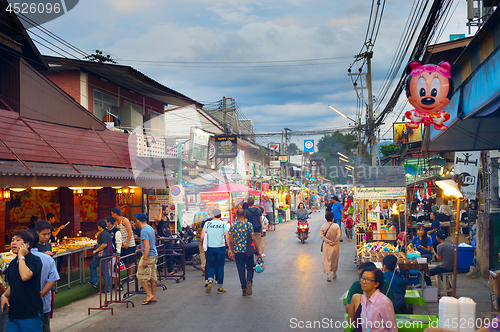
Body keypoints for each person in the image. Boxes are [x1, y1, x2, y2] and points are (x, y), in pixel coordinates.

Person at [1, 230, 43, 331]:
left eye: (17, 240)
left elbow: (25, 276)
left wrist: (21, 256)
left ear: (27, 244)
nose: (13, 243)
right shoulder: (12, 263)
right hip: (13, 315)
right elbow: (14, 284)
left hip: (30, 314)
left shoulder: (34, 260)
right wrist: (4, 296)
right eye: (12, 240)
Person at [348, 268, 397, 332]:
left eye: (368, 280)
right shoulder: (364, 299)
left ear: (376, 284)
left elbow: (392, 329)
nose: (364, 282)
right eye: (362, 278)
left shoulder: (384, 302)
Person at [228, 209, 262, 296]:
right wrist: (258, 250)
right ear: (244, 214)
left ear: (236, 215)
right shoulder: (248, 225)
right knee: (250, 267)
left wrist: (232, 252)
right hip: (248, 250)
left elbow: (231, 240)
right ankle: (249, 281)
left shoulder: (233, 226)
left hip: (238, 251)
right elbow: (253, 238)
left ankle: (244, 289)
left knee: (241, 269)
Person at [31, 240, 60, 332]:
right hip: (41, 298)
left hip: (40, 298)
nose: (47, 236)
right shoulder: (17, 260)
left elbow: (53, 278)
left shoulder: (47, 246)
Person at [201, 209, 229, 294]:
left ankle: (210, 281)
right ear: (220, 215)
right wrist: (230, 249)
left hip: (210, 248)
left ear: (213, 215)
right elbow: (227, 237)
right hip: (220, 247)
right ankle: (219, 287)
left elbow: (202, 236)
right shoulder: (223, 224)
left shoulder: (207, 223)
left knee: (211, 265)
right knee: (220, 267)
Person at [135, 213, 158, 305]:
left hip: (148, 255)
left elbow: (147, 246)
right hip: (154, 254)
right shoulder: (150, 228)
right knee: (152, 277)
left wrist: (144, 259)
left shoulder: (144, 230)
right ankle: (154, 296)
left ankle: (149, 295)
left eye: (136, 219)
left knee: (141, 275)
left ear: (139, 221)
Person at [111, 207, 136, 282]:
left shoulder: (124, 220)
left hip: (129, 244)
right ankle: (128, 276)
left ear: (115, 214)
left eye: (112, 214)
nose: (112, 215)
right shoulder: (116, 222)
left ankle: (130, 277)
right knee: (125, 261)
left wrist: (127, 242)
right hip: (122, 244)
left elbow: (130, 231)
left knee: (130, 261)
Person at [88, 220, 112, 293]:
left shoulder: (104, 234)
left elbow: (104, 244)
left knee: (104, 272)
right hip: (102, 255)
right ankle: (94, 281)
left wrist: (96, 250)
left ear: (99, 226)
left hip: (104, 255)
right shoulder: (105, 232)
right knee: (92, 265)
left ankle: (108, 289)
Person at [320, 212, 341, 281]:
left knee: (327, 259)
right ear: (333, 218)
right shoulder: (336, 226)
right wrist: (334, 241)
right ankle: (334, 273)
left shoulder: (323, 226)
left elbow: (321, 236)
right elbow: (338, 236)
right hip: (335, 245)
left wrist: (328, 241)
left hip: (326, 245)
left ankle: (328, 275)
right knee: (334, 259)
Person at [106, 216, 122, 290]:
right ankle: (112, 283)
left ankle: (120, 284)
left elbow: (118, 242)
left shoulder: (116, 231)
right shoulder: (106, 230)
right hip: (108, 252)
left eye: (106, 222)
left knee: (115, 268)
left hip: (114, 252)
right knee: (110, 268)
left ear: (109, 222)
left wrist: (118, 253)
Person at [193, 201, 209, 275]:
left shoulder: (196, 214)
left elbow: (193, 225)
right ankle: (204, 266)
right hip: (205, 236)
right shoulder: (206, 214)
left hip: (198, 236)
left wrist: (197, 230)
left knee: (201, 252)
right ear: (205, 206)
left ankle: (204, 269)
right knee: (206, 251)